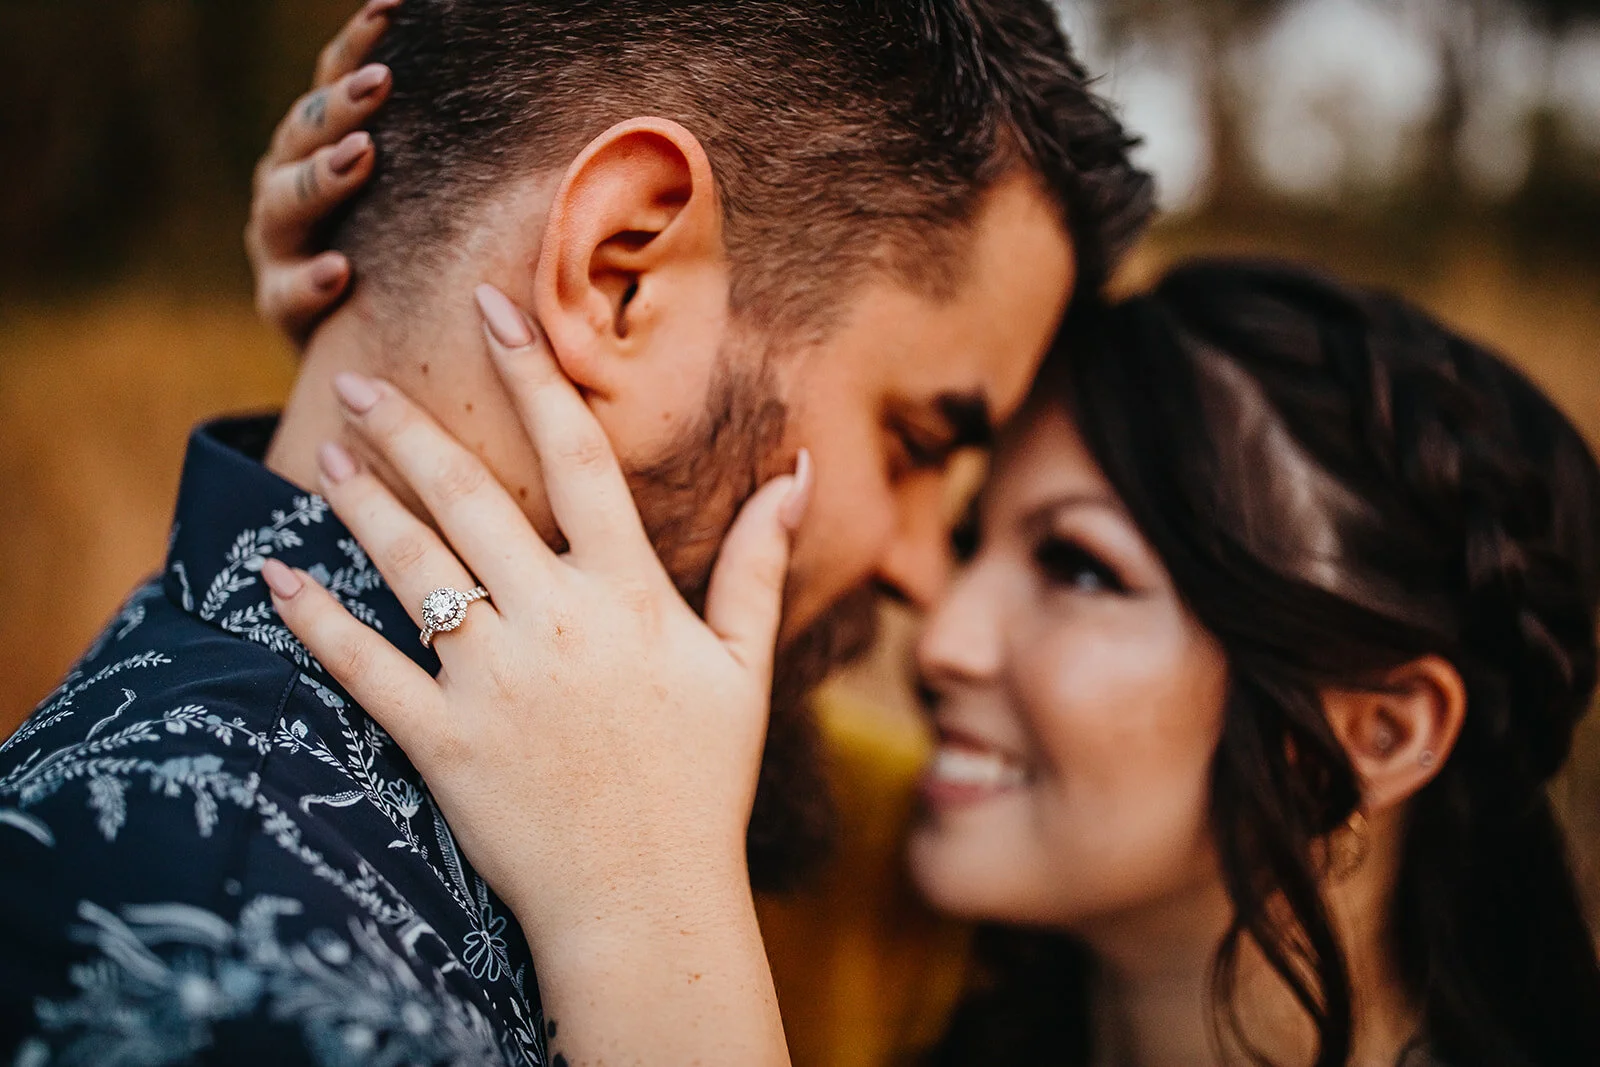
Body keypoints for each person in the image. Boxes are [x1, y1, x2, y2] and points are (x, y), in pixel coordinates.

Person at [0, 2, 1154, 1064]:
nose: (921, 574)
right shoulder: (242, 972)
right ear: (618, 276)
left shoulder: (636, 792)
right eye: (911, 442)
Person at [264, 254, 1600, 1064]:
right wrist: (401, 300)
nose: (943, 636)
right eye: (973, 537)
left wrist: (652, 940)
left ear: (1377, 730)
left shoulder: (717, 880)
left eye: (1079, 566)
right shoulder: (847, 879)